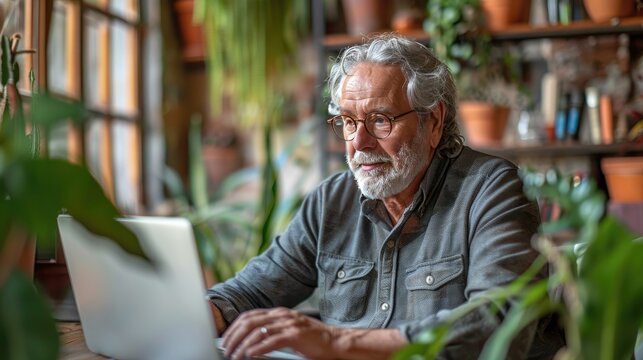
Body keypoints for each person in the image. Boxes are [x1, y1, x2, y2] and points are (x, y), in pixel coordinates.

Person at [207, 34, 561, 360]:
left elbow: (496, 325)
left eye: (379, 120)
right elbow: (246, 294)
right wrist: (206, 313)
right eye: (348, 121)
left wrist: (334, 341)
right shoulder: (330, 201)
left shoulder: (492, 189)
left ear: (433, 122)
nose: (359, 143)